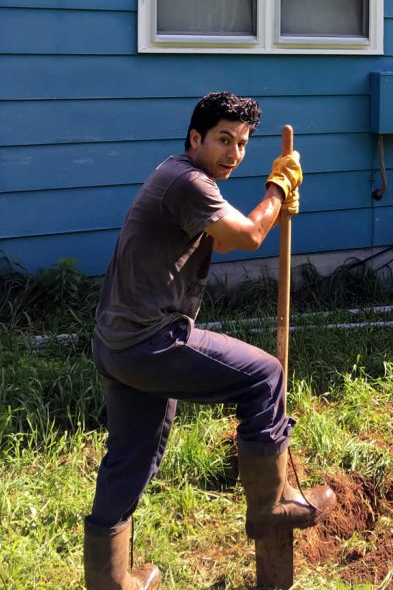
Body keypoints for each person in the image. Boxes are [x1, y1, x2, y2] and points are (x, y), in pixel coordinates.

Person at [83, 91, 336, 590]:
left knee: (133, 456)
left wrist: (271, 200)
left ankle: (110, 581)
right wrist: (278, 190)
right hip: (150, 341)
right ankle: (273, 505)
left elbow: (223, 236)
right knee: (266, 376)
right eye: (224, 139)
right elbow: (247, 237)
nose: (234, 153)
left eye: (241, 143)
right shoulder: (188, 182)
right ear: (195, 138)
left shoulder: (179, 176)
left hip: (115, 343)